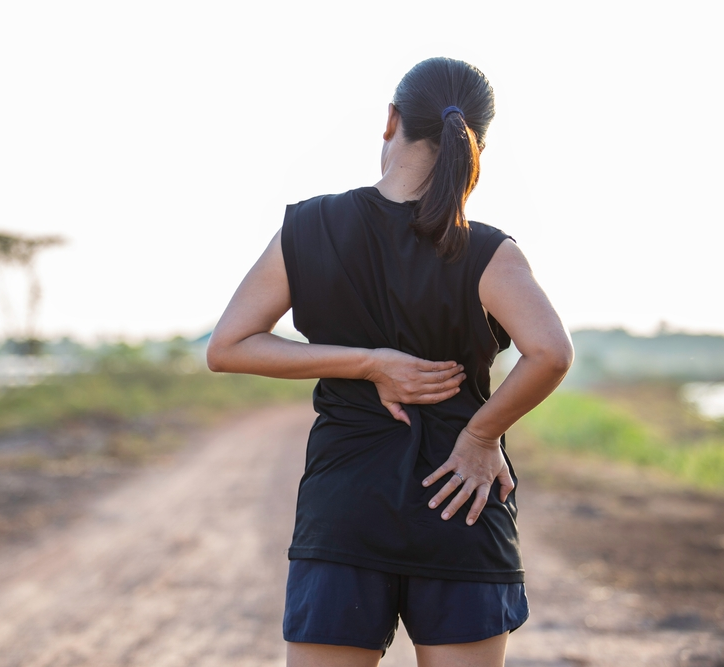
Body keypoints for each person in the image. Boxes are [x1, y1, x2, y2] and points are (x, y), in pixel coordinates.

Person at [206, 57, 573, 667]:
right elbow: (551, 354)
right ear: (476, 143)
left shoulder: (309, 228)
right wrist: (480, 435)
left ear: (391, 121)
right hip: (460, 500)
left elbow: (229, 346)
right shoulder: (488, 250)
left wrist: (365, 363)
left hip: (345, 506)